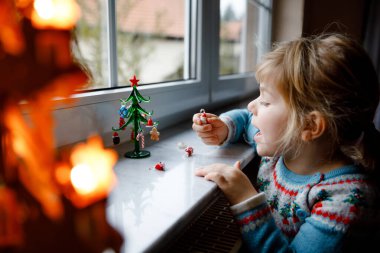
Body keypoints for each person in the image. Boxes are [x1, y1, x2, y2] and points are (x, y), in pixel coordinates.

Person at [192, 34, 380, 252]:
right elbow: (245, 120)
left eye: (265, 101)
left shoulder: (346, 202)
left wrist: (245, 198)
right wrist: (224, 127)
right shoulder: (286, 146)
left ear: (309, 126)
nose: (252, 106)